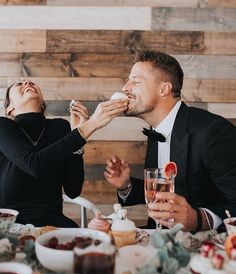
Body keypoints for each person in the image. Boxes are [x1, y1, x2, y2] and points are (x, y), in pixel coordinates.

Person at [104, 50, 236, 232]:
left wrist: (199, 219)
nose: (125, 88)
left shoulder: (212, 132)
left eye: (135, 81)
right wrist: (126, 186)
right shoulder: (156, 130)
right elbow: (166, 193)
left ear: (164, 89)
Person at [0, 80, 128, 227]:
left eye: (32, 83)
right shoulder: (4, 126)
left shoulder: (60, 127)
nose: (28, 83)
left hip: (53, 221)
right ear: (10, 109)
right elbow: (34, 164)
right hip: (10, 223)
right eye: (19, 84)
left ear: (43, 104)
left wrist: (77, 143)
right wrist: (88, 127)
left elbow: (73, 190)